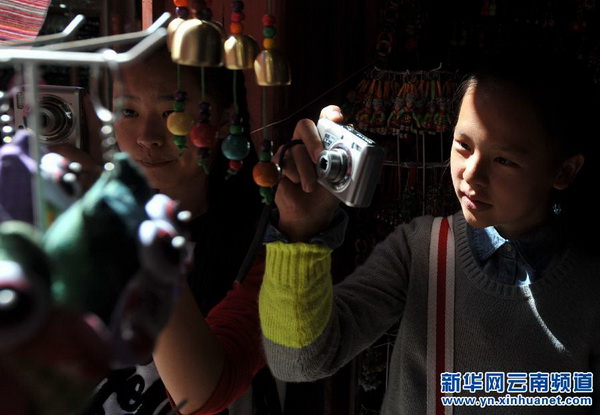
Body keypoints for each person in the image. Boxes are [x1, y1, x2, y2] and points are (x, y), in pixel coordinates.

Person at [258, 49, 600, 414]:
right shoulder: (421, 250)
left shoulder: (590, 286)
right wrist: (299, 230)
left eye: (504, 160)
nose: (471, 173)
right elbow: (298, 362)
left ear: (564, 172)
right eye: (463, 146)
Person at [68, 46, 266, 415]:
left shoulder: (261, 244)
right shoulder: (77, 219)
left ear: (225, 120)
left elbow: (201, 395)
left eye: (172, 112)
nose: (147, 136)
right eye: (128, 111)